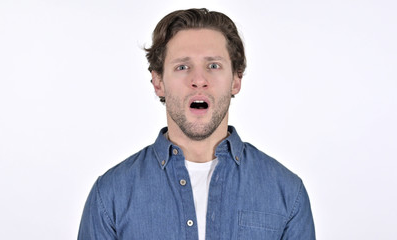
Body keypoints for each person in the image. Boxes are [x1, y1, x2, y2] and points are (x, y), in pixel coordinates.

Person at [78, 8, 315, 240]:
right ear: (158, 82)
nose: (199, 80)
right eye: (182, 66)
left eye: (213, 65)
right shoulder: (110, 195)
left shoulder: (287, 192)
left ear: (236, 80)